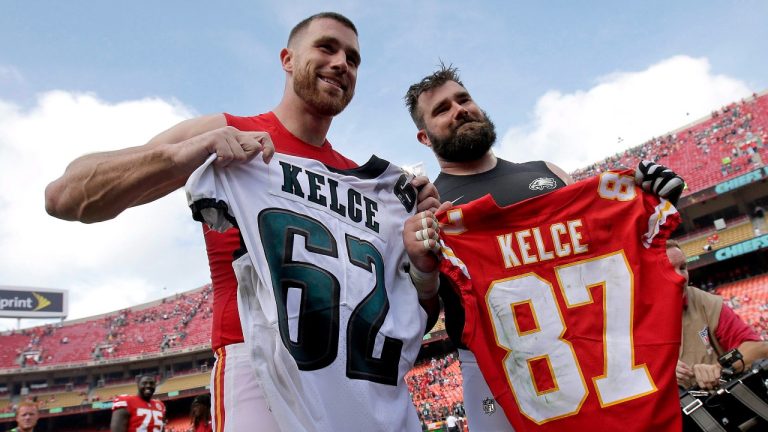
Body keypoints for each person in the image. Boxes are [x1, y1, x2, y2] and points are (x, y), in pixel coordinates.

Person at [46, 12, 439, 432]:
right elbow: (65, 195)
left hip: (357, 383)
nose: (343, 62)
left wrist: (421, 264)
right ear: (287, 59)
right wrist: (185, 155)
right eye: (327, 47)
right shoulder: (230, 135)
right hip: (257, 368)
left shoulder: (370, 186)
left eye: (354, 58)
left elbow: (415, 319)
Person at [404, 65, 687, 432]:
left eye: (464, 99)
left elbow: (609, 253)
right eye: (442, 109)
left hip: (590, 353)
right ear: (424, 137)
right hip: (493, 369)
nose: (459, 110)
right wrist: (423, 269)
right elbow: (420, 314)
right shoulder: (428, 209)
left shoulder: (548, 174)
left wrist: (650, 204)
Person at [667, 240, 768, 390]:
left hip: (714, 403)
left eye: (683, 268)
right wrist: (661, 371)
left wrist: (719, 366)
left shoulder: (706, 302)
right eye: (668, 270)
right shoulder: (628, 320)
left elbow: (757, 347)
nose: (681, 277)